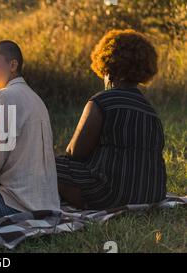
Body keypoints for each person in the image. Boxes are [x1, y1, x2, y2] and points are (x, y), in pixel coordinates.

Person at [56, 29, 167, 210]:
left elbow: (75, 154)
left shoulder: (102, 101)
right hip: (151, 193)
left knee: (49, 165)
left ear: (107, 69)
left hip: (111, 195)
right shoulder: (150, 110)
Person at [0, 40, 60, 221]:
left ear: (13, 65)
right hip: (45, 203)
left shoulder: (5, 95)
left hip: (14, 204)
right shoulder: (34, 97)